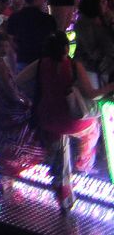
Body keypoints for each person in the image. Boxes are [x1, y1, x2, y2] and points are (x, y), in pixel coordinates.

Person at [18, 30, 99, 213]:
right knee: (93, 126)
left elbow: (19, 80)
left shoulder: (40, 64)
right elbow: (92, 94)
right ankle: (84, 161)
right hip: (72, 120)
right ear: (66, 47)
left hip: (47, 119)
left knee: (59, 155)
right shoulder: (74, 66)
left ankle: (63, 194)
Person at [0, 30, 38, 190]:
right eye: (1, 45)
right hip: (2, 102)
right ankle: (8, 171)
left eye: (6, 45)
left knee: (3, 138)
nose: (4, 49)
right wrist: (21, 101)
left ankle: (5, 173)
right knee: (15, 134)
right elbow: (7, 87)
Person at [72, 0, 114, 88]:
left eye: (106, 1)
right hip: (89, 67)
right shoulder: (83, 24)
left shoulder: (105, 17)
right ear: (94, 4)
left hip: (107, 64)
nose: (106, 4)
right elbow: (92, 52)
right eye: (103, 2)